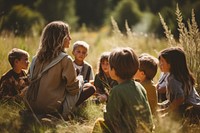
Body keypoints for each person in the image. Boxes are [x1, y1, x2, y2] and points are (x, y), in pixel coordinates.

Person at [25, 21, 95, 120]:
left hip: (31, 105)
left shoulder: (36, 58)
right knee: (89, 88)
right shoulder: (65, 59)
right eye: (68, 35)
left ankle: (37, 115)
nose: (70, 38)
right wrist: (80, 80)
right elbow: (73, 89)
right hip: (52, 108)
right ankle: (58, 116)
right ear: (60, 38)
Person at [93, 47, 153, 133]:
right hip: (146, 130)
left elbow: (110, 119)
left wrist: (104, 109)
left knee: (99, 123)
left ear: (114, 70)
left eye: (109, 65)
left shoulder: (116, 90)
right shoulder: (140, 86)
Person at [157, 47, 200, 120]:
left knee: (164, 119)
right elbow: (173, 100)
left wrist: (166, 111)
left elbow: (180, 99)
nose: (160, 64)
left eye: (162, 61)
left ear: (172, 63)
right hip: (197, 108)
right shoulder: (184, 75)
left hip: (189, 110)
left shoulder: (172, 79)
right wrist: (161, 105)